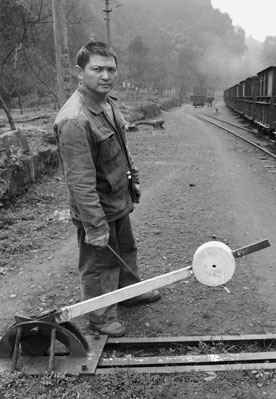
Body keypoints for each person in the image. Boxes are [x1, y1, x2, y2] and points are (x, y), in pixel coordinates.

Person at [53, 41, 160, 337]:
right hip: (97, 208)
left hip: (117, 199)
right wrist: (95, 226)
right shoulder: (75, 119)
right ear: (80, 72)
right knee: (100, 263)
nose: (105, 75)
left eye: (110, 69)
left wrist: (133, 177)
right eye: (97, 69)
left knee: (125, 248)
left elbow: (123, 149)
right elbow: (80, 182)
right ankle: (99, 317)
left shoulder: (106, 103)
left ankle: (129, 292)